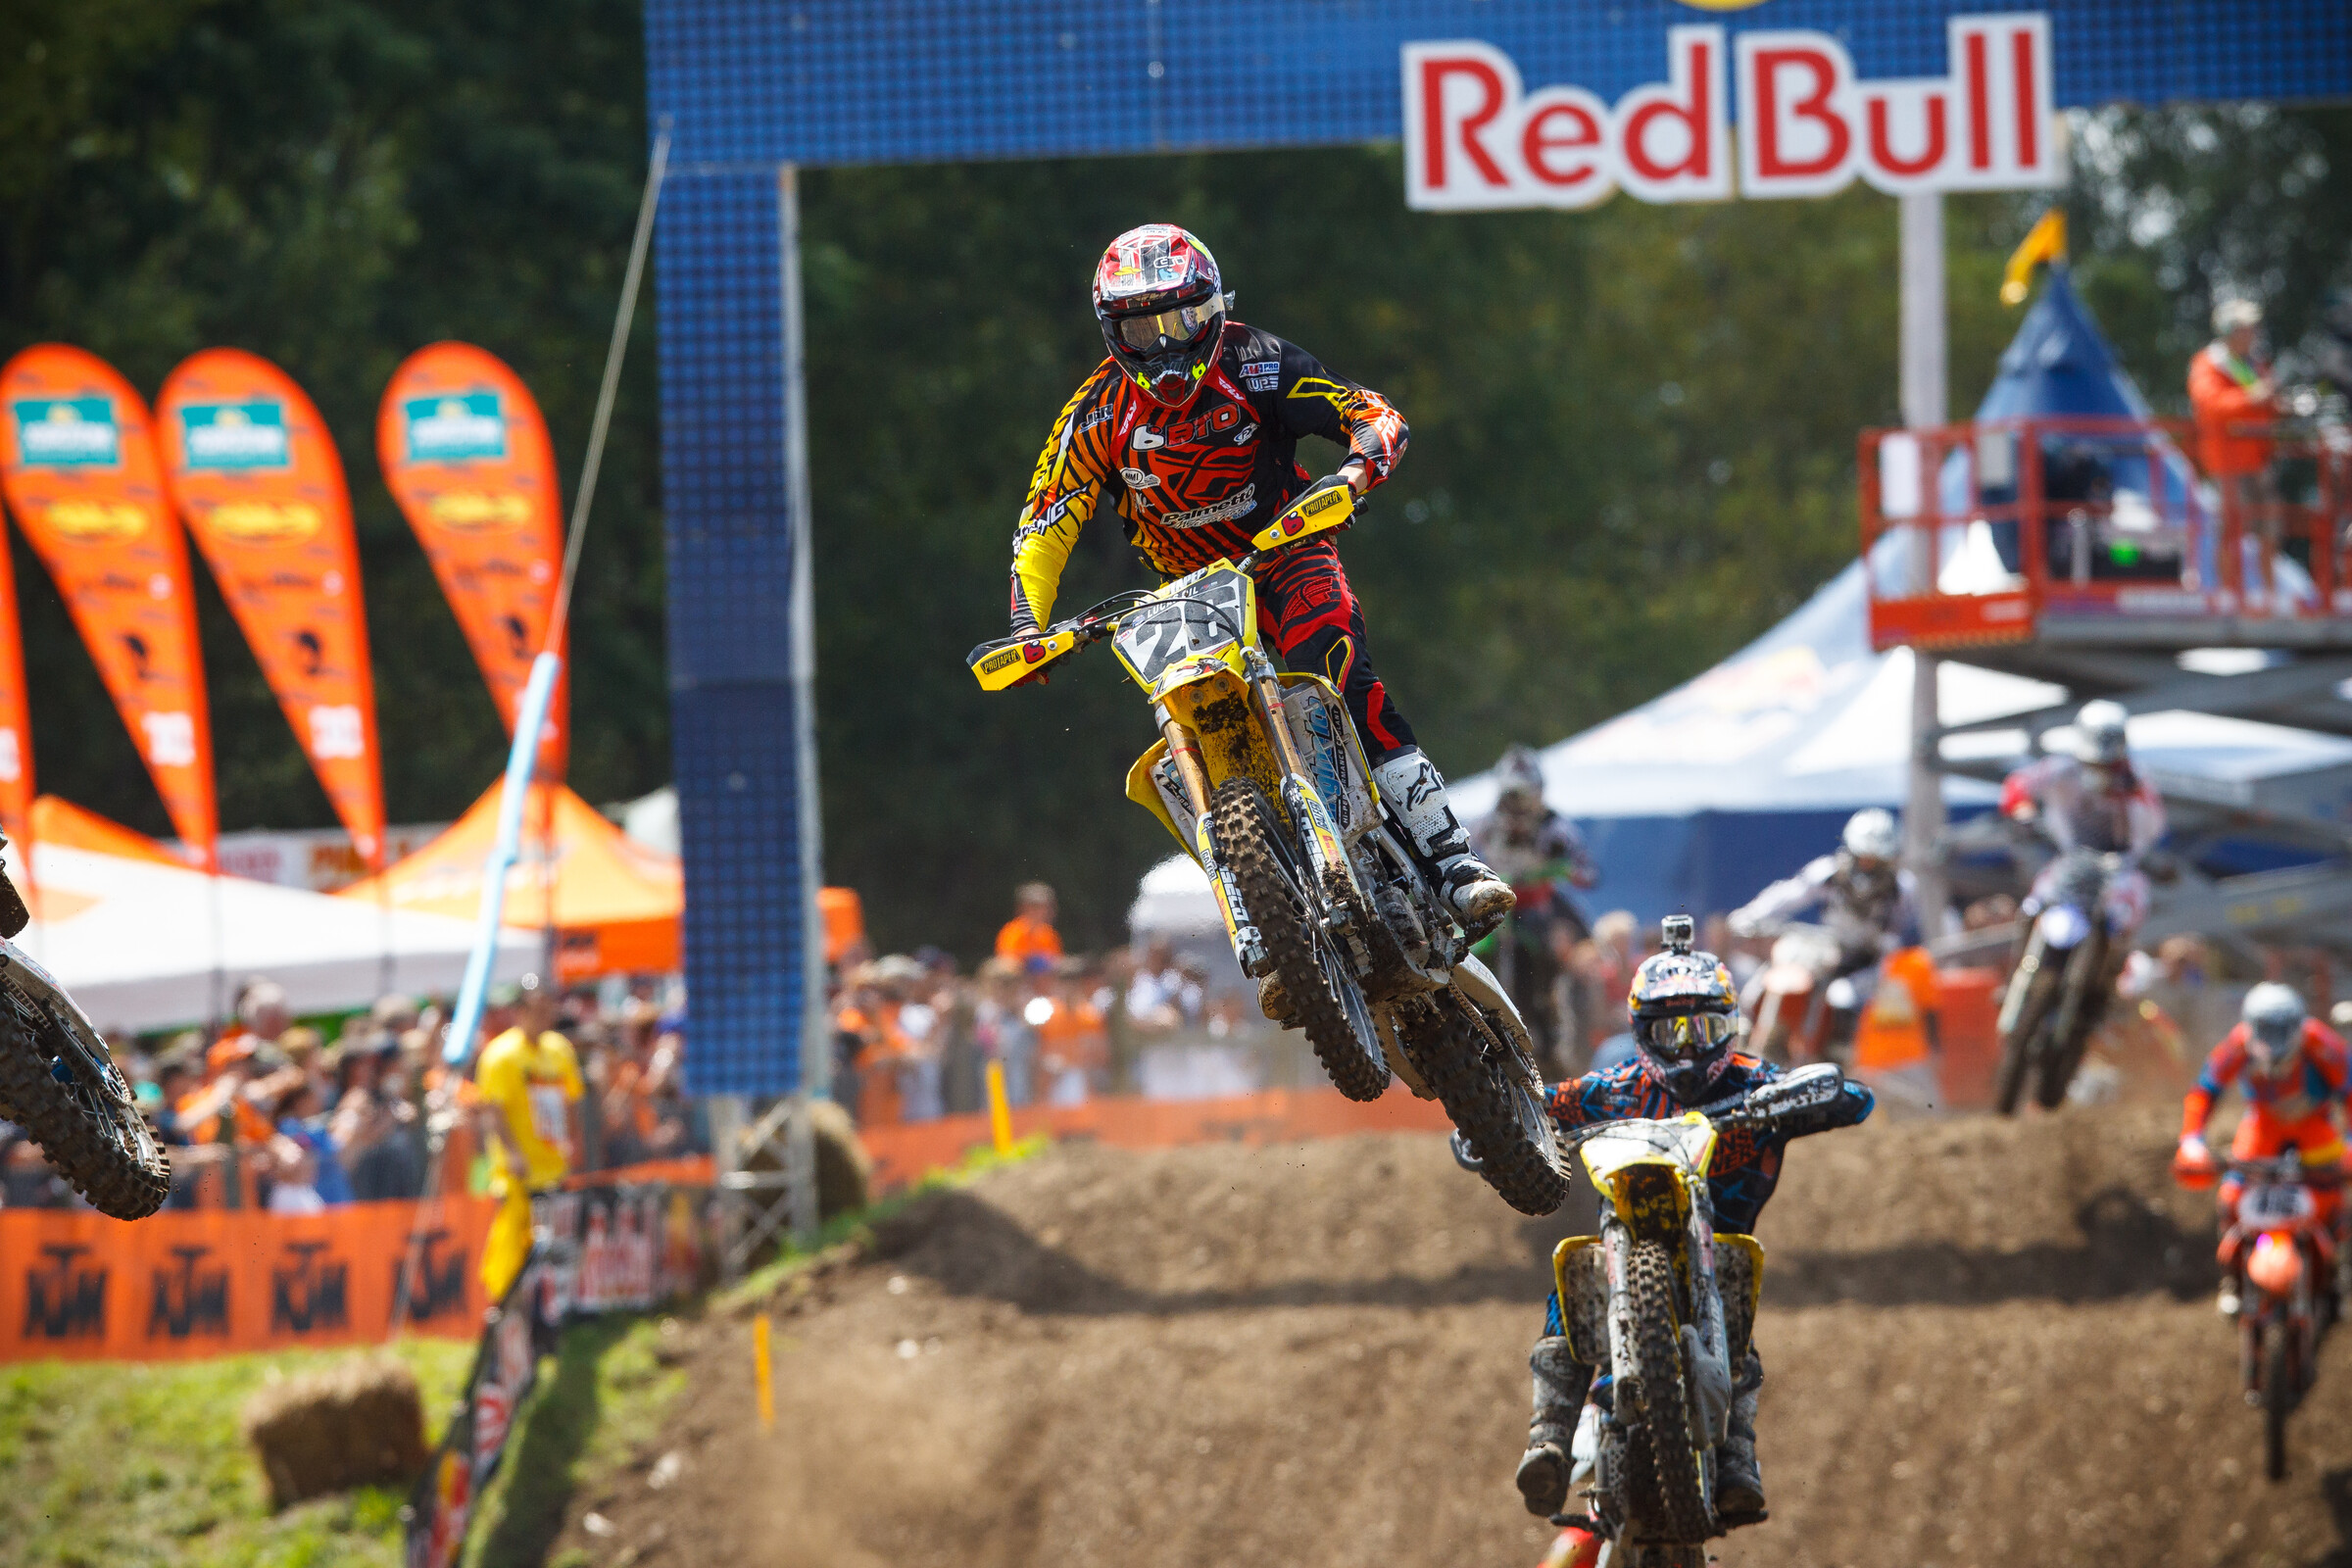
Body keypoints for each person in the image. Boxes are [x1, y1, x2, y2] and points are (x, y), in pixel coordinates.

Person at [1003, 222, 1509, 934]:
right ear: (1112, 331)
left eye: (1181, 319)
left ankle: (1452, 858)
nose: (1167, 343)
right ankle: (1257, 909)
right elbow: (1044, 525)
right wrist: (1029, 628)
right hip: (1185, 592)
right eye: (1142, 329)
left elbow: (1368, 412)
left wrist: (1358, 469)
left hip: (1285, 549)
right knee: (1186, 712)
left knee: (1337, 670)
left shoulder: (1259, 360)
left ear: (1213, 308)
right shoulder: (1093, 413)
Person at [1512, 920, 1875, 1526]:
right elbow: (1542, 1102)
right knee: (1576, 1272)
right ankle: (1548, 1438)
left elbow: (1853, 1097)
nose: (1685, 1046)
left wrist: (1819, 1096)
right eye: (1669, 1030)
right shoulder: (1616, 1088)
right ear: (1640, 1030)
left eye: (1702, 1028)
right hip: (1629, 1233)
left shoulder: (1755, 1083)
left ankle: (1737, 1459)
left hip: (1719, 1242)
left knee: (1736, 1285)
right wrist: (1493, 1124)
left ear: (1727, 1026)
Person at [2174, 983, 2352, 1312]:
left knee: (2333, 1193)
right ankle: (2233, 1275)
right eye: (2265, 1029)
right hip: (2263, 1128)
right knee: (2232, 1195)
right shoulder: (2237, 1045)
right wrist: (2192, 1141)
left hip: (2314, 1127)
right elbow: (2203, 1091)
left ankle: (2337, 1268)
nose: (2274, 1039)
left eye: (2282, 1029)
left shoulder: (2324, 1045)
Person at [1998, 700, 2166, 989]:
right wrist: (2024, 813)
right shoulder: (2062, 768)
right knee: (2035, 903)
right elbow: (2018, 785)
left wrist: (2143, 853)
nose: (2100, 769)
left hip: (2117, 869)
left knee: (2129, 912)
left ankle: (2108, 983)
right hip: (2071, 860)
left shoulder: (2136, 780)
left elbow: (2153, 824)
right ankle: (2017, 977)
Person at [1728, 808, 1920, 1058]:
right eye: (1863, 858)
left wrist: (1891, 948)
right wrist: (1751, 916)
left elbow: (1913, 928)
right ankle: (1748, 1032)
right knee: (1773, 973)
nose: (1868, 867)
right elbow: (1788, 895)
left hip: (1867, 962)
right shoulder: (1829, 874)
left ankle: (1837, 1057)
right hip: (1829, 947)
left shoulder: (1902, 889)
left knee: (1843, 998)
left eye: (1876, 861)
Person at [1470, 746, 1598, 1074]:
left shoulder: (1553, 825)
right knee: (1460, 945)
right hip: (1492, 904)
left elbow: (1587, 869)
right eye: (1512, 794)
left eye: (1524, 794)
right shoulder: (1485, 825)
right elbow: (1458, 855)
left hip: (1536, 904)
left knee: (1565, 946)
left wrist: (1562, 867)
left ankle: (1554, 1013)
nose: (1517, 803)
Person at [471, 974, 585, 1300]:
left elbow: (571, 1100)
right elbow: (493, 1108)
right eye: (537, 1008)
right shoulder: (500, 1055)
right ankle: (505, 1302)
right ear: (520, 1011)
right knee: (514, 1246)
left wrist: (574, 1144)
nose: (545, 1015)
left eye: (549, 1008)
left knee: (555, 1249)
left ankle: (552, 1309)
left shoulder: (559, 1049)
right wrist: (513, 1154)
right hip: (518, 1176)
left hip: (554, 1165)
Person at [2188, 297, 2281, 598]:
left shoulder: (2254, 363)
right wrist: (2251, 397)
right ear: (2231, 331)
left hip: (2257, 460)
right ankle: (2229, 596)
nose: (2253, 333)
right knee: (2230, 531)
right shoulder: (2208, 363)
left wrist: (2279, 404)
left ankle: (2270, 595)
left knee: (2270, 528)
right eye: (2247, 327)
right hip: (2226, 462)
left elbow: (2265, 405)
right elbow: (2210, 404)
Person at [996, 883, 1065, 975]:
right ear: (1024, 908)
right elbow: (1007, 963)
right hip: (1020, 982)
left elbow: (1057, 960)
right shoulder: (1013, 932)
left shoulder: (1049, 934)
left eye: (1048, 906)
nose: (1045, 911)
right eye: (1037, 906)